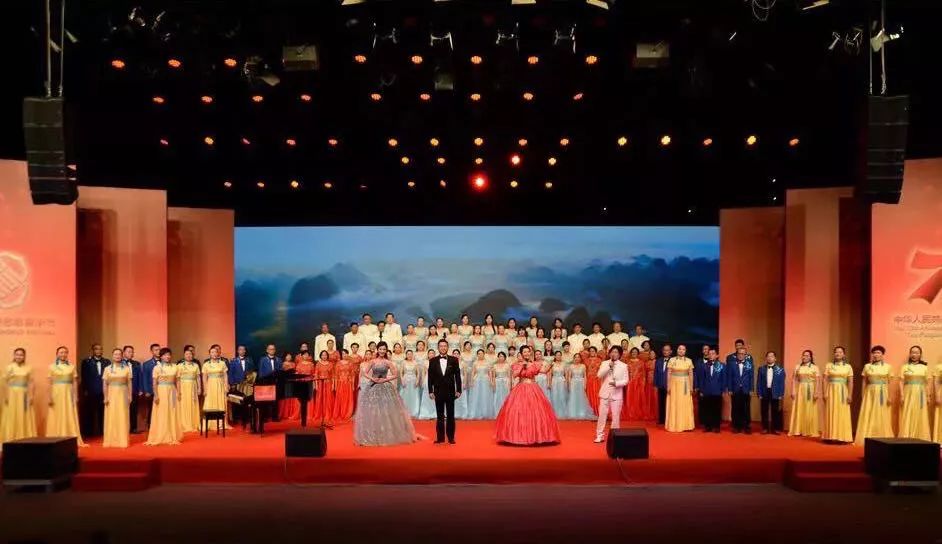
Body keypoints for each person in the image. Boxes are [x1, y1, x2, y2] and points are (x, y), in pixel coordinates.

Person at [353, 342, 417, 446]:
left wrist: (385, 379)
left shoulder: (388, 362)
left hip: (385, 386)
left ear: (386, 350)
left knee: (386, 410)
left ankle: (387, 433)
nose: (382, 351)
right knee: (372, 410)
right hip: (372, 386)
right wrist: (372, 378)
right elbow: (364, 372)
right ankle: (373, 433)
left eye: (384, 349)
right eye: (380, 349)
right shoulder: (373, 361)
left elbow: (395, 374)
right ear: (377, 350)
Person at [495, 346, 561, 446]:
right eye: (524, 352)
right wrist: (522, 366)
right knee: (519, 411)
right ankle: (517, 436)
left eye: (528, 352)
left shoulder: (534, 364)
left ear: (530, 353)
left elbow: (544, 371)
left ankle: (538, 436)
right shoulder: (516, 365)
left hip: (533, 388)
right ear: (521, 354)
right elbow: (514, 375)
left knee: (536, 411)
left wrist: (551, 364)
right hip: (521, 387)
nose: (526, 353)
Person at [855, 345, 894, 445]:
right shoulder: (867, 366)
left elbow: (889, 383)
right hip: (870, 392)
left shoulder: (888, 367)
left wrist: (889, 396)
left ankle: (882, 436)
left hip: (882, 392)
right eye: (874, 353)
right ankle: (867, 436)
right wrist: (863, 394)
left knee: (881, 413)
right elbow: (864, 381)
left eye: (878, 353)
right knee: (869, 412)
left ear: (882, 355)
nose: (876, 355)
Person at [46, 346, 85, 446]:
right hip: (56, 393)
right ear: (57, 354)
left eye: (65, 352)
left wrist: (75, 396)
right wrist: (49, 396)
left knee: (69, 413)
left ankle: (69, 436)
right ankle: (55, 436)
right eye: (61, 352)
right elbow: (49, 383)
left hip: (68, 393)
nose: (63, 354)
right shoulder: (51, 367)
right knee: (56, 414)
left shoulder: (72, 367)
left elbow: (74, 382)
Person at [145, 348, 183, 446]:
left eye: (169, 355)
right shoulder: (157, 368)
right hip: (161, 391)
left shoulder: (175, 367)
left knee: (172, 412)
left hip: (172, 391)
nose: (167, 357)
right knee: (162, 412)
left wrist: (179, 392)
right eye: (165, 355)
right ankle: (161, 435)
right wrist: (156, 395)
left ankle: (173, 435)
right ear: (161, 356)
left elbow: (178, 381)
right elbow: (154, 383)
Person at [1, 348, 37, 446]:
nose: (19, 356)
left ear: (24, 356)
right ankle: (10, 438)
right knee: (12, 415)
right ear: (14, 355)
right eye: (17, 354)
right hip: (12, 395)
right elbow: (4, 383)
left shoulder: (28, 368)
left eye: (21, 355)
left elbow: (31, 383)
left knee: (23, 415)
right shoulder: (9, 367)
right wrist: (6, 395)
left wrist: (31, 396)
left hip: (24, 395)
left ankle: (25, 438)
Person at [428, 339, 462, 443]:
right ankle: (440, 438)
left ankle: (451, 437)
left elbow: (457, 376)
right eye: (441, 346)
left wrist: (459, 389)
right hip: (438, 391)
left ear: (448, 347)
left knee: (451, 415)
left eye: (445, 346)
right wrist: (430, 391)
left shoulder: (454, 360)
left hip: (450, 391)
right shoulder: (432, 361)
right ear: (438, 348)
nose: (443, 348)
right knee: (440, 415)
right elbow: (430, 377)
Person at [594, 346, 629, 442]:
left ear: (620, 354)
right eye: (612, 352)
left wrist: (616, 383)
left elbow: (626, 381)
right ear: (609, 353)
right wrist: (609, 367)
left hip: (617, 394)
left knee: (615, 416)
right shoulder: (605, 363)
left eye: (616, 352)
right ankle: (599, 435)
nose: (614, 354)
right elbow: (599, 375)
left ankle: (615, 437)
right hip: (605, 393)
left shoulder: (624, 366)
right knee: (602, 415)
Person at [898, 345, 931, 440]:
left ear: (920, 355)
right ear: (910, 354)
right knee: (907, 412)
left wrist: (928, 396)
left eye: (916, 353)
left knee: (920, 413)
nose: (914, 354)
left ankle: (921, 436)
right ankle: (906, 436)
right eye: (912, 352)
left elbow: (928, 383)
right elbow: (901, 381)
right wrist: (901, 395)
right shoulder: (905, 367)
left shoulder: (924, 367)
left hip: (921, 393)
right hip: (908, 392)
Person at [822, 346, 853, 443]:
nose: (838, 353)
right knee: (831, 411)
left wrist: (850, 395)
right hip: (831, 390)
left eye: (840, 352)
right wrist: (824, 392)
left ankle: (843, 437)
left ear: (844, 354)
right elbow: (824, 379)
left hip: (843, 391)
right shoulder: (829, 365)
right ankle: (830, 436)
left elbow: (850, 382)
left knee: (842, 412)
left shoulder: (848, 366)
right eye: (836, 352)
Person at [102, 348, 132, 448]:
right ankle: (110, 440)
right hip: (111, 394)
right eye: (115, 354)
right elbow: (105, 384)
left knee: (122, 416)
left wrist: (130, 395)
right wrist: (105, 397)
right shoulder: (107, 369)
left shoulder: (126, 368)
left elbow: (129, 383)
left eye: (119, 354)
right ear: (112, 356)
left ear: (122, 356)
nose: (117, 356)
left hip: (123, 394)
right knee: (111, 416)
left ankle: (122, 439)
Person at [788, 350, 821, 438]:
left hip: (810, 389)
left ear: (810, 357)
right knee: (799, 408)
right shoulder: (798, 367)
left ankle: (809, 430)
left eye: (807, 355)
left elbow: (818, 381)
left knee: (809, 409)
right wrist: (793, 390)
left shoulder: (814, 367)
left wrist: (816, 392)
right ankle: (798, 429)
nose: (804, 357)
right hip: (800, 389)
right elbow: (794, 379)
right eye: (803, 355)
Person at [80, 343, 108, 437]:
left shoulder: (107, 362)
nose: (98, 351)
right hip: (90, 391)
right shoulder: (86, 362)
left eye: (100, 349)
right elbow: (84, 377)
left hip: (103, 391)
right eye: (96, 349)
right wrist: (85, 390)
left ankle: (103, 432)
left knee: (103, 413)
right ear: (93, 350)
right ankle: (89, 433)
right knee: (89, 413)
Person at [695, 347, 726, 433]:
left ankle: (716, 426)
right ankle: (707, 426)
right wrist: (701, 390)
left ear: (717, 355)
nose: (711, 355)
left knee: (716, 409)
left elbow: (724, 378)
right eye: (710, 354)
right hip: (706, 391)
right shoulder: (704, 366)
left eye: (713, 354)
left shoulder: (722, 365)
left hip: (717, 391)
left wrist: (723, 390)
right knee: (707, 409)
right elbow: (701, 379)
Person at [665, 344, 695, 433]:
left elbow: (691, 374)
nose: (681, 350)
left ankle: (686, 425)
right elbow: (668, 373)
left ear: (685, 351)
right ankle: (674, 425)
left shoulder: (689, 361)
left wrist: (691, 387)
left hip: (685, 384)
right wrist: (668, 386)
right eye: (679, 349)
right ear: (677, 350)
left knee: (684, 403)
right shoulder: (672, 360)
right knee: (675, 402)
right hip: (674, 384)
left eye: (683, 349)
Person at [756, 351, 786, 434]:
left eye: (772, 356)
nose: (770, 358)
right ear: (766, 358)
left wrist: (781, 394)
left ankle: (774, 429)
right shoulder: (761, 369)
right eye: (768, 356)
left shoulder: (780, 370)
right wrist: (759, 393)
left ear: (775, 359)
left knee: (775, 411)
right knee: (764, 410)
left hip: (775, 392)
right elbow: (758, 382)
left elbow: (782, 383)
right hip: (764, 391)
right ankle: (765, 428)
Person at [201, 345, 230, 428]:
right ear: (209, 354)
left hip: (220, 385)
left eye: (215, 352)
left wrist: (226, 385)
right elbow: (204, 378)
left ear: (218, 353)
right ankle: (210, 423)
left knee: (221, 402)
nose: (214, 354)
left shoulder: (222, 363)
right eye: (212, 352)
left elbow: (225, 375)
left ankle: (221, 423)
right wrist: (205, 389)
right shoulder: (206, 364)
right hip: (210, 385)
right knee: (210, 402)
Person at [728, 344, 754, 434]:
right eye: (739, 353)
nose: (741, 355)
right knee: (736, 408)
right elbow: (729, 377)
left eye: (743, 354)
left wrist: (751, 389)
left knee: (746, 408)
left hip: (746, 389)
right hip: (735, 389)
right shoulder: (731, 364)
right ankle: (736, 426)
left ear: (746, 355)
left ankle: (746, 426)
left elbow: (751, 377)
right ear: (737, 354)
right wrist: (730, 389)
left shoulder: (749, 364)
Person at [176, 346, 202, 433]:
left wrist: (199, 388)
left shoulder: (196, 365)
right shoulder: (179, 366)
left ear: (192, 355)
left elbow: (198, 378)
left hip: (193, 386)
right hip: (183, 387)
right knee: (183, 405)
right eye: (187, 354)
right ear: (184, 355)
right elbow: (177, 379)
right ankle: (183, 425)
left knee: (193, 404)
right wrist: (178, 390)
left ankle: (194, 424)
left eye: (190, 354)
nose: (189, 356)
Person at [122, 345, 143, 434]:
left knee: (134, 409)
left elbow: (140, 377)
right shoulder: (119, 363)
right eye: (129, 352)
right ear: (124, 353)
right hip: (122, 390)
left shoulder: (136, 363)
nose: (131, 353)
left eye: (132, 352)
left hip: (134, 389)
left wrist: (140, 389)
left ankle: (133, 428)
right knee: (123, 410)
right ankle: (123, 428)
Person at [140, 343, 161, 431]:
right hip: (151, 390)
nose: (158, 351)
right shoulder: (147, 364)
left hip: (163, 389)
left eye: (159, 349)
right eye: (156, 350)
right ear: (151, 351)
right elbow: (144, 378)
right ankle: (150, 425)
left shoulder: (164, 362)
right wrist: (147, 391)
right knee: (152, 408)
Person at [567, 352, 593, 419]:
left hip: (581, 383)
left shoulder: (583, 366)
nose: (577, 358)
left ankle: (582, 412)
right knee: (573, 397)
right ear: (573, 358)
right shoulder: (571, 366)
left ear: (580, 358)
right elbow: (569, 376)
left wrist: (585, 385)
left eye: (578, 357)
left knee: (581, 397)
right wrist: (569, 385)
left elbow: (585, 376)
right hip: (573, 383)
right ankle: (573, 413)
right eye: (575, 357)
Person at [332, 350, 357, 422]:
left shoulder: (350, 363)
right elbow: (335, 375)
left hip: (348, 383)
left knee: (348, 398)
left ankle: (348, 413)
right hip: (340, 383)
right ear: (341, 355)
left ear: (347, 354)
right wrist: (335, 385)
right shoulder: (338, 363)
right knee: (340, 398)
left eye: (346, 354)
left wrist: (353, 385)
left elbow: (352, 375)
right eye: (343, 354)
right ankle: (340, 412)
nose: (344, 355)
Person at [312, 350, 334, 426]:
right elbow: (316, 374)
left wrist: (333, 385)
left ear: (327, 356)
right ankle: (319, 414)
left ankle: (328, 415)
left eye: (325, 355)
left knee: (328, 399)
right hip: (320, 383)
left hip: (328, 383)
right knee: (320, 398)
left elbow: (332, 375)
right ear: (320, 356)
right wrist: (316, 385)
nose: (324, 356)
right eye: (323, 355)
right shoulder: (318, 364)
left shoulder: (330, 364)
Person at [653, 344, 673, 425]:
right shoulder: (658, 361)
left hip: (670, 386)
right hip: (660, 385)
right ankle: (661, 419)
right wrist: (655, 384)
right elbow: (656, 373)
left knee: (670, 403)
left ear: (671, 351)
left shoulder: (674, 361)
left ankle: (670, 419)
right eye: (664, 350)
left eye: (667, 350)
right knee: (661, 403)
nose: (665, 352)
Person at [624, 347, 646, 421]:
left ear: (638, 353)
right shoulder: (627, 362)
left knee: (637, 398)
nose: (634, 353)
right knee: (629, 398)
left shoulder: (641, 362)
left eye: (635, 352)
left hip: (638, 383)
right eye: (633, 352)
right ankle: (630, 413)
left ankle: (637, 413)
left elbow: (643, 374)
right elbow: (625, 373)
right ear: (631, 353)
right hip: (630, 383)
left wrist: (643, 383)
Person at [548, 351, 569, 419]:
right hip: (554, 381)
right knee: (554, 396)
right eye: (557, 355)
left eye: (560, 355)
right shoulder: (552, 364)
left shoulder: (564, 364)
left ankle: (563, 412)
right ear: (555, 356)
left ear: (561, 356)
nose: (558, 356)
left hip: (562, 381)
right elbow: (550, 375)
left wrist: (566, 382)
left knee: (562, 396)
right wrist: (549, 383)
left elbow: (566, 374)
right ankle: (554, 412)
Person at [584, 346, 602, 415]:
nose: (592, 352)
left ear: (595, 352)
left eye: (593, 351)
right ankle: (591, 412)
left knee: (597, 395)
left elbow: (601, 371)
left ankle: (598, 410)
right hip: (589, 380)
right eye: (590, 351)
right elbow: (585, 371)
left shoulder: (599, 360)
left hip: (597, 380)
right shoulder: (586, 360)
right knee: (590, 395)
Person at [452, 349, 470, 419]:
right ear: (452, 355)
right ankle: (453, 414)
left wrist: (465, 383)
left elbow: (465, 374)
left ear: (459, 355)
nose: (456, 355)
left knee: (462, 398)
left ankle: (463, 414)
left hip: (461, 381)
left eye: (457, 354)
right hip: (452, 381)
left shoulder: (463, 363)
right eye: (454, 353)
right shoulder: (450, 363)